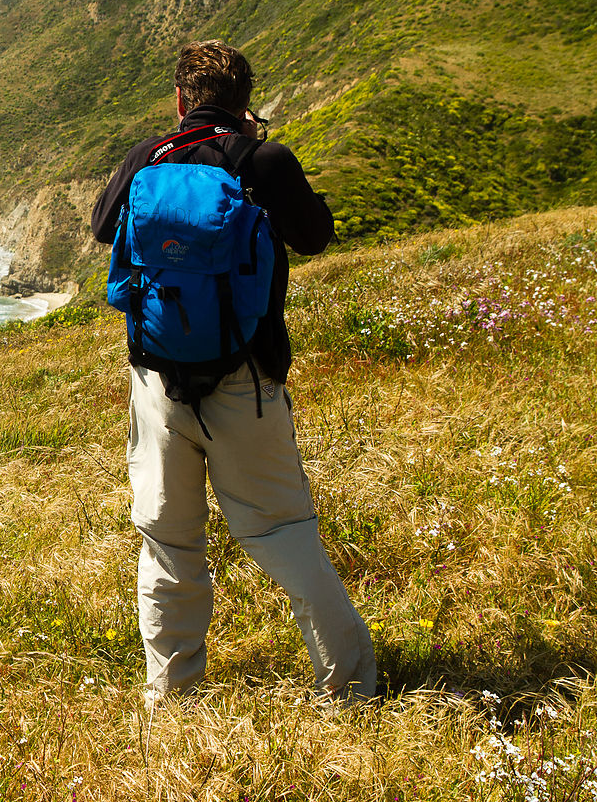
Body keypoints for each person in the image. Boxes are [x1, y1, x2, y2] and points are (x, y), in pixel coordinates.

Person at [91, 40, 375, 702]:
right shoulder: (263, 160)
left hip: (158, 384)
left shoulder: (148, 158)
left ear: (181, 100)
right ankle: (350, 687)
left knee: (168, 543)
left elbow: (105, 228)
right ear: (246, 101)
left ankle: (174, 697)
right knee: (282, 533)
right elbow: (315, 236)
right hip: (245, 382)